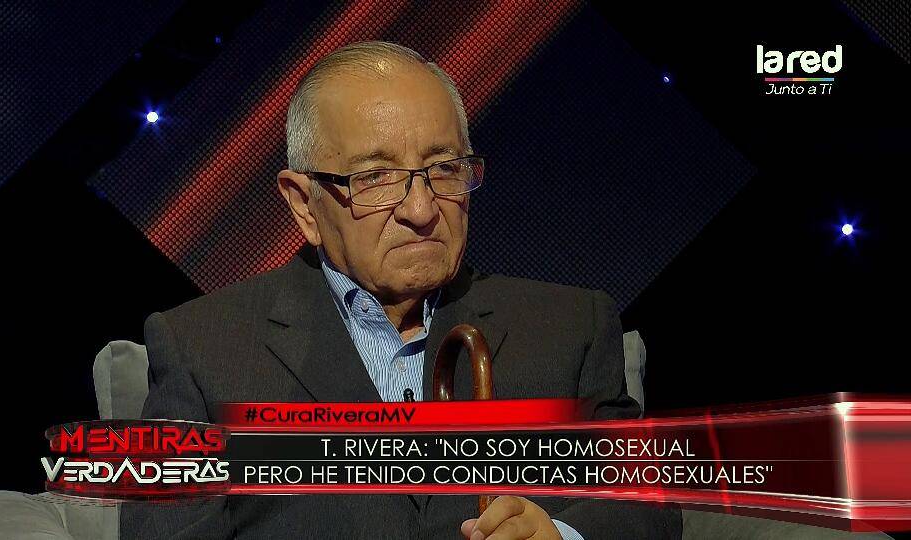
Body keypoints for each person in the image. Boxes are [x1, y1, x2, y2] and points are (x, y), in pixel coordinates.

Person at [121, 41, 681, 539]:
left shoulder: (571, 327)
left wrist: (561, 535)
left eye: (444, 168)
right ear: (304, 204)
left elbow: (649, 508)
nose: (421, 209)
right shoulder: (204, 350)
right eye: (376, 177)